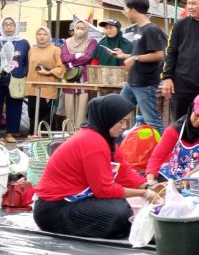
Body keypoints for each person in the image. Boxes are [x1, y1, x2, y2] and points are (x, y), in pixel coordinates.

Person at [33, 94, 159, 239]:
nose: (124, 127)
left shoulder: (104, 139)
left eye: (126, 122)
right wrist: (143, 193)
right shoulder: (92, 142)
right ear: (108, 119)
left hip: (74, 199)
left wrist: (148, 186)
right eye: (121, 122)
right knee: (120, 214)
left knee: (121, 207)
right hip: (54, 209)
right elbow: (104, 190)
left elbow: (122, 171)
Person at [114, 0, 167, 135]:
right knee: (116, 114)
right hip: (132, 82)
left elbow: (159, 54)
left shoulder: (151, 29)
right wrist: (124, 55)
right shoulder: (139, 29)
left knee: (152, 121)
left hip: (145, 83)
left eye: (125, 9)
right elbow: (140, 55)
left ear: (133, 10)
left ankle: (161, 147)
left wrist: (135, 58)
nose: (124, 12)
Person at [145, 93, 199, 185]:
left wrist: (191, 175)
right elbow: (157, 156)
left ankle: (184, 185)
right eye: (197, 115)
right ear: (191, 110)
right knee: (161, 178)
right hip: (176, 169)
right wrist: (150, 180)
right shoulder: (174, 129)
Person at [25, 27, 64, 134]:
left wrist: (48, 72)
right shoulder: (32, 50)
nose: (42, 36)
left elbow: (61, 68)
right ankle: (33, 136)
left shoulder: (56, 50)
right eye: (39, 34)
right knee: (32, 113)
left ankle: (44, 138)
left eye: (44, 34)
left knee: (45, 116)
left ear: (49, 36)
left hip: (47, 88)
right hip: (32, 87)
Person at [61, 20, 97, 128]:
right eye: (77, 28)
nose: (79, 30)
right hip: (70, 76)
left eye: (82, 28)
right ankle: (70, 132)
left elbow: (88, 57)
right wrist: (77, 55)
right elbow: (64, 57)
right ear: (74, 29)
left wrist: (71, 61)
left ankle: (80, 131)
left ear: (87, 30)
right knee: (69, 106)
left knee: (82, 107)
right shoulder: (67, 42)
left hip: (84, 77)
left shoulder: (91, 42)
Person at [0, 17, 30, 142]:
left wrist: (23, 74)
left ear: (16, 26)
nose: (8, 27)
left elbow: (27, 62)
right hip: (1, 78)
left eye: (11, 24)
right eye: (5, 24)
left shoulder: (23, 43)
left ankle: (10, 133)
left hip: (16, 80)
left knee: (14, 107)